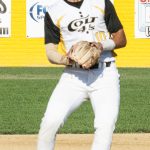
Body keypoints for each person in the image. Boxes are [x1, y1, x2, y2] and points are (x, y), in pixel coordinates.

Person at [37, 0, 127, 150]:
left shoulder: (102, 3)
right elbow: (50, 52)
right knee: (50, 122)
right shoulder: (54, 11)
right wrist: (68, 59)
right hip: (73, 75)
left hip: (105, 73)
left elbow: (121, 38)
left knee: (105, 125)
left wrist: (101, 46)